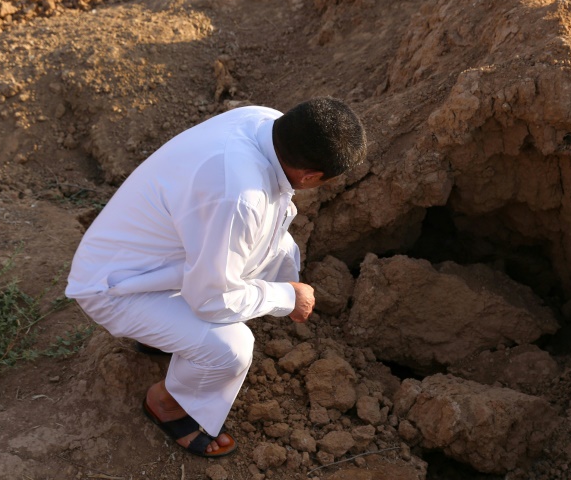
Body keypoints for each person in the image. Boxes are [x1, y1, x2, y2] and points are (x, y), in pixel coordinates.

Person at [65, 97, 366, 458]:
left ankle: (164, 336)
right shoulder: (239, 198)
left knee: (279, 249)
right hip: (113, 287)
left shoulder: (264, 121)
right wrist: (286, 297)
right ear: (311, 176)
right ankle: (167, 404)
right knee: (231, 349)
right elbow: (212, 301)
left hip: (143, 257)